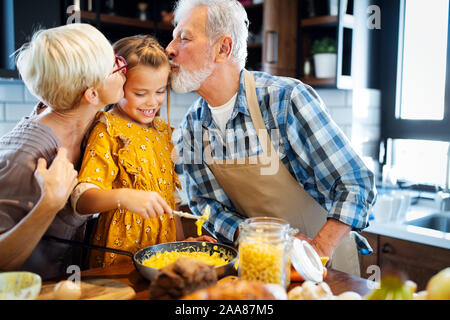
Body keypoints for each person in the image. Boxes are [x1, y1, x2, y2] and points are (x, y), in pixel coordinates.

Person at [166, 0, 377, 275]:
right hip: (259, 264)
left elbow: (355, 183)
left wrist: (316, 252)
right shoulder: (192, 127)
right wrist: (263, 241)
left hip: (327, 264)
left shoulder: (285, 100)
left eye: (184, 38)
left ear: (223, 48)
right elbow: (206, 204)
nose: (169, 49)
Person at [71, 35, 216, 269]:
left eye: (160, 91)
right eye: (140, 93)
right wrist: (124, 197)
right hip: (119, 255)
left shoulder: (163, 132)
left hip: (162, 255)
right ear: (118, 86)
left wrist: (180, 246)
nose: (152, 102)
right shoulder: (107, 128)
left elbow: (171, 205)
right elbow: (82, 200)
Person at [0, 23, 127, 280]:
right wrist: (49, 205)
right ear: (91, 94)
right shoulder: (20, 158)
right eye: (115, 65)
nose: (124, 69)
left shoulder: (91, 125)